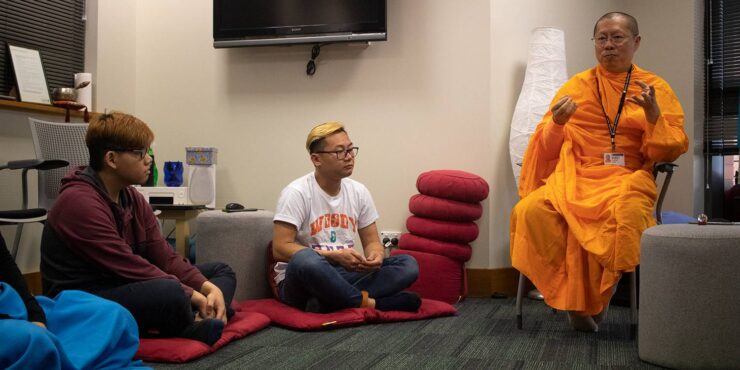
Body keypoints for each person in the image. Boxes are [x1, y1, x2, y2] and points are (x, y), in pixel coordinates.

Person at [510, 12, 688, 332]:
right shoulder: (576, 86)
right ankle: (572, 298)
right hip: (578, 176)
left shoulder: (654, 88)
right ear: (594, 43)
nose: (608, 45)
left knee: (625, 215)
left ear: (636, 42)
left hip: (629, 177)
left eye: (617, 37)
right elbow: (545, 146)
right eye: (601, 38)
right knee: (530, 210)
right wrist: (557, 123)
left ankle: (592, 300)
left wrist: (653, 117)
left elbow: (667, 151)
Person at [40, 112, 235, 346]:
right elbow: (128, 266)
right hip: (85, 298)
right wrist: (190, 293)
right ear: (112, 159)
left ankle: (198, 314)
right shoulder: (78, 202)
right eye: (140, 153)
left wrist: (207, 287)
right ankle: (193, 319)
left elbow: (164, 256)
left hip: (125, 284)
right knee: (170, 291)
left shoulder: (131, 196)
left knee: (221, 272)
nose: (148, 160)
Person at [272, 121, 421, 313]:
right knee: (305, 259)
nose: (349, 157)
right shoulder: (296, 192)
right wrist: (332, 256)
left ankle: (327, 302)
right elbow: (280, 248)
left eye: (351, 150)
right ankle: (373, 304)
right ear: (316, 159)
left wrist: (374, 256)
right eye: (340, 151)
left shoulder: (359, 191)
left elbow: (372, 242)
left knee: (408, 264)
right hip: (304, 278)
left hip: (344, 274)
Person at [1, 232, 146, 369]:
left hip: (14, 306)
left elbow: (6, 265)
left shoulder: (132, 206)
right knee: (31, 340)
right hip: (10, 324)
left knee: (115, 315)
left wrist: (36, 316)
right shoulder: (80, 208)